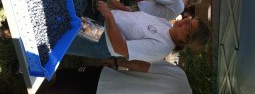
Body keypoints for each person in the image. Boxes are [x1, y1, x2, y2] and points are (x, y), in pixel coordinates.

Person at [67, 1, 210, 62]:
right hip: (101, 23)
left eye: (188, 27)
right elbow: (136, 17)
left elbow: (120, 48)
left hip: (101, 38)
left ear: (185, 41)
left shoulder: (160, 48)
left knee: (58, 38)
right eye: (189, 19)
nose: (184, 21)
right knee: (63, 25)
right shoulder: (166, 24)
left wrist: (110, 17)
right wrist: (117, 6)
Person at [37, 60, 193, 94]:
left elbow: (140, 66)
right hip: (105, 82)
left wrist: (116, 61)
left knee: (66, 76)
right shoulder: (179, 76)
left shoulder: (179, 75)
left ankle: (31, 70)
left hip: (105, 79)